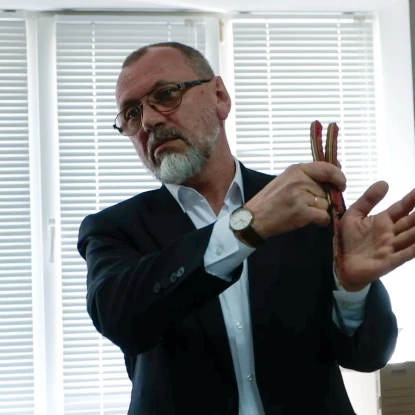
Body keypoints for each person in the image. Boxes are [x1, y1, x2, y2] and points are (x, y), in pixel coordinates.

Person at [77, 41, 415, 415]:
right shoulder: (114, 228)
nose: (149, 121)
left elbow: (369, 356)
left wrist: (352, 291)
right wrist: (245, 228)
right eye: (132, 113)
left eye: (167, 94)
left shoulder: (304, 205)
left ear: (220, 96)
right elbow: (120, 319)